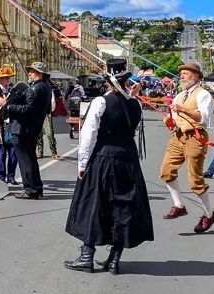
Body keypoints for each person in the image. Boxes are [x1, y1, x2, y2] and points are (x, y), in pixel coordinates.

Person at [64, 61, 153, 274]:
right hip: (128, 160)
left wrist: (82, 163)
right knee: (123, 207)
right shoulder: (136, 104)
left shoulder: (100, 102)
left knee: (94, 204)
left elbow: (88, 135)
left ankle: (87, 256)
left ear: (108, 81)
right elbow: (134, 128)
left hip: (104, 159)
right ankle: (114, 259)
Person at [160, 61, 214, 233]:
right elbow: (176, 116)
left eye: (186, 73)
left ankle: (209, 214)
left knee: (195, 181)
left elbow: (202, 117)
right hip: (179, 136)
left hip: (195, 137)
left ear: (196, 76)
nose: (182, 76)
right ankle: (179, 205)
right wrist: (170, 121)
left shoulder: (203, 94)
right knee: (166, 171)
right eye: (182, 74)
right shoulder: (180, 95)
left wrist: (182, 110)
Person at [0, 61, 52, 199]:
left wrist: (9, 107)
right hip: (31, 129)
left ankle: (30, 189)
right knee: (31, 159)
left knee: (26, 161)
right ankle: (36, 187)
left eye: (32, 72)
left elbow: (28, 109)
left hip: (24, 129)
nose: (29, 74)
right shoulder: (45, 87)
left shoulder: (36, 89)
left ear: (39, 74)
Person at [38, 79, 60, 160]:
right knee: (38, 134)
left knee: (49, 133)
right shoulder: (35, 88)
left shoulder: (49, 91)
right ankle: (40, 151)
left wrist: (48, 110)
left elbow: (53, 104)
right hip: (37, 114)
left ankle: (54, 153)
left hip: (46, 114)